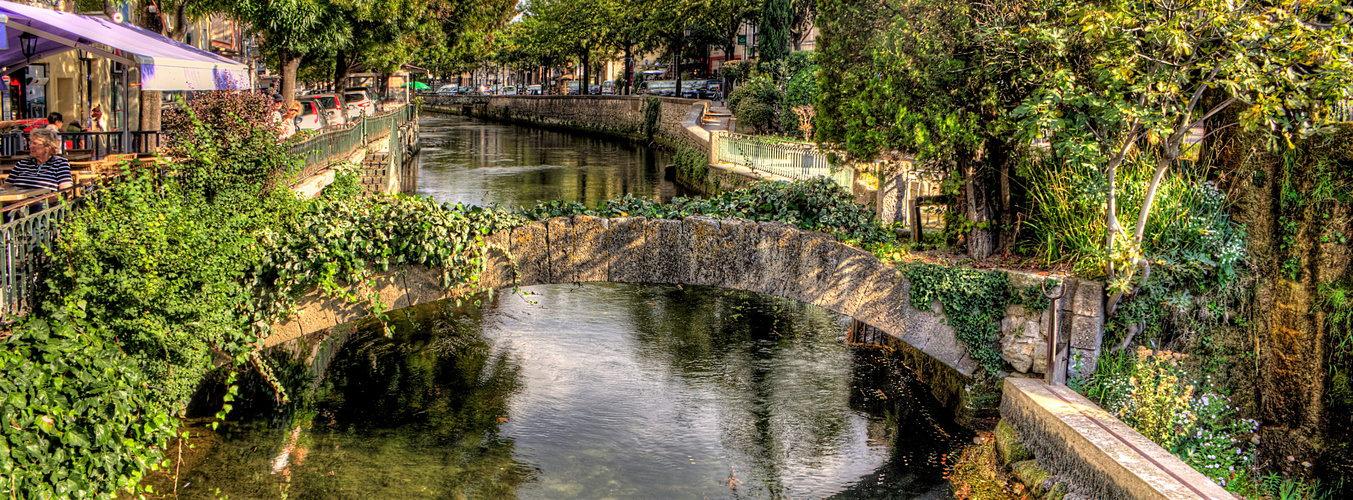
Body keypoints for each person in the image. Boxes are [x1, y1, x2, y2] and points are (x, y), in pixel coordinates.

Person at [3, 128, 72, 191]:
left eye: (35, 144)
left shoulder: (59, 163)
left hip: (42, 203)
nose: (30, 146)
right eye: (31, 143)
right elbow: (5, 187)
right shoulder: (22, 163)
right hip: (14, 203)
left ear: (48, 147)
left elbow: (65, 190)